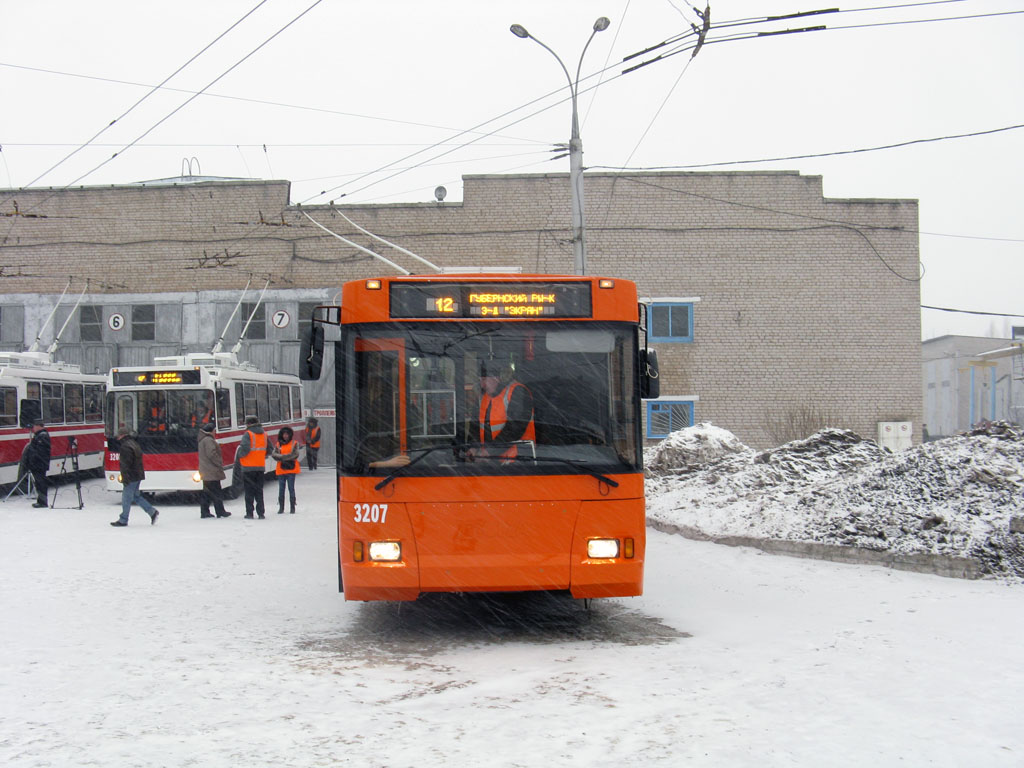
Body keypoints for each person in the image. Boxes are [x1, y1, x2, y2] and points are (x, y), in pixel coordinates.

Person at [477, 360, 535, 460]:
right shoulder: (484, 398)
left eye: (484, 380)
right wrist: (473, 448)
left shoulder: (518, 392)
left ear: (497, 378)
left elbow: (515, 428)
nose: (482, 385)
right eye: (480, 381)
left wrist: (490, 451)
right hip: (492, 463)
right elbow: (477, 426)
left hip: (519, 462)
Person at [110, 427, 159, 527]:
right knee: (136, 496)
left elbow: (125, 465)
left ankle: (123, 520)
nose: (117, 438)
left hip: (131, 476)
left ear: (122, 435)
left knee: (126, 498)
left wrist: (125, 478)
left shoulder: (125, 446)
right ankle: (152, 512)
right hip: (137, 475)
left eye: (119, 435)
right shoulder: (133, 443)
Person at [198, 422, 230, 519]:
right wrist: (219, 462)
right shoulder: (209, 440)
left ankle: (205, 512)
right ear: (211, 431)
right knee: (217, 492)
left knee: (207, 493)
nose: (215, 432)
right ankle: (220, 511)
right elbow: (212, 454)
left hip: (206, 470)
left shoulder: (203, 440)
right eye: (214, 430)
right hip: (212, 470)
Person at [237, 415, 267, 519]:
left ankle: (249, 513)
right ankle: (261, 513)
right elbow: (269, 448)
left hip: (248, 468)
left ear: (248, 424)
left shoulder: (248, 434)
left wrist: (239, 454)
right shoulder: (264, 434)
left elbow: (244, 449)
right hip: (260, 467)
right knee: (259, 491)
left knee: (249, 492)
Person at [271, 426, 302, 514]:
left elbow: (295, 455)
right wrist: (287, 457)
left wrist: (282, 458)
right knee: (281, 489)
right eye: (284, 434)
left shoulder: (294, 443)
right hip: (281, 470)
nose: (285, 436)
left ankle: (292, 507)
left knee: (291, 488)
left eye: (287, 434)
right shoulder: (278, 444)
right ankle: (281, 508)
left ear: (290, 435)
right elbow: (274, 455)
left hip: (291, 470)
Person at [25, 419, 51, 508]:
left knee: (41, 483)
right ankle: (41, 501)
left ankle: (43, 502)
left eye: (34, 426)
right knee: (39, 483)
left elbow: (40, 452)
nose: (33, 428)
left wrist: (34, 461)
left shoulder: (42, 436)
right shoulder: (39, 435)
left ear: (39, 426)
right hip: (39, 463)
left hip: (40, 464)